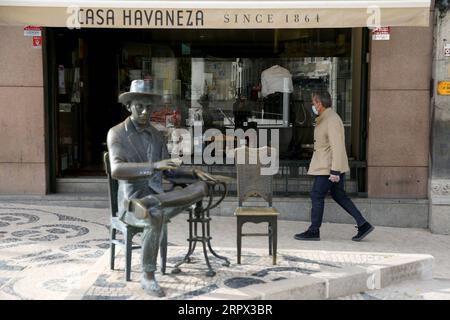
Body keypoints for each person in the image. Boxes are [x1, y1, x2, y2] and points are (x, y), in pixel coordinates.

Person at [107, 79, 217, 297]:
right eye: (140, 106)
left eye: (149, 107)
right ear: (129, 106)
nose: (145, 111)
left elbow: (168, 170)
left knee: (201, 186)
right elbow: (117, 170)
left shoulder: (157, 135)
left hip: (156, 197)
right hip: (131, 202)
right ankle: (148, 276)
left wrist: (192, 171)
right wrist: (153, 166)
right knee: (155, 214)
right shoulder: (116, 133)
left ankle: (157, 202)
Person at [294, 90, 374, 242]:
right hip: (329, 166)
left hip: (328, 167)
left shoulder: (331, 119)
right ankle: (363, 224)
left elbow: (337, 146)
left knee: (317, 195)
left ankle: (314, 231)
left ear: (320, 103)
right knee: (338, 195)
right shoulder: (325, 118)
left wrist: (335, 171)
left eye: (313, 103)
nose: (312, 105)